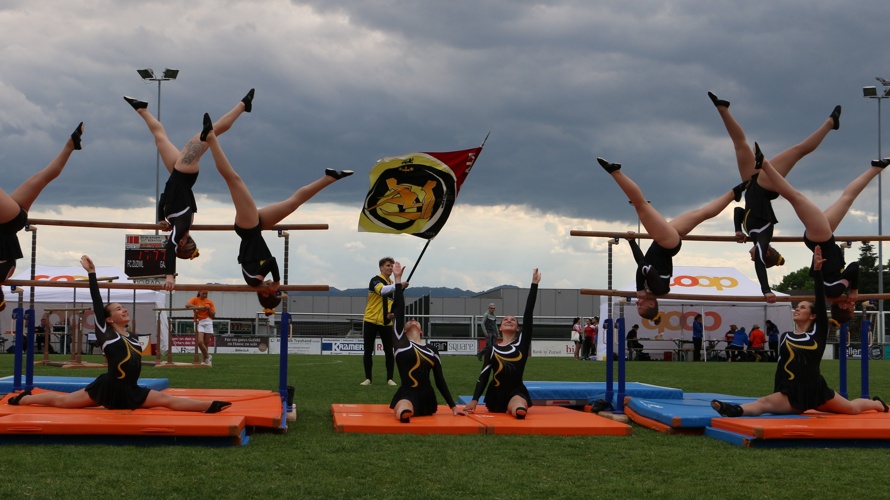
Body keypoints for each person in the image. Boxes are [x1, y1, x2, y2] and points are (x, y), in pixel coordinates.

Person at [7, 255, 231, 413]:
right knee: (62, 402)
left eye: (123, 307)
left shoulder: (133, 336)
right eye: (117, 309)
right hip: (108, 388)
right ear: (108, 319)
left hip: (131, 390)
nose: (123, 309)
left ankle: (209, 405)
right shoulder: (106, 333)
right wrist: (92, 274)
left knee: (166, 399)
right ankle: (25, 399)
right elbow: (97, 302)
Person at [712, 246, 888, 418]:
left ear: (812, 316)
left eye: (802, 308)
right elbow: (781, 368)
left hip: (817, 391)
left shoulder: (818, 333)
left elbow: (820, 298)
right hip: (792, 393)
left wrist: (818, 271)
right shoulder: (785, 336)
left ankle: (878, 405)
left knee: (852, 409)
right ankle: (734, 410)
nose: (797, 309)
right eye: (798, 307)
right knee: (764, 403)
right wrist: (779, 392)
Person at [202, 117, 352, 314]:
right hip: (255, 227)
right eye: (277, 288)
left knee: (234, 179)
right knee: (292, 204)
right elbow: (269, 261)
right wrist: (275, 281)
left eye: (276, 291)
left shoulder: (256, 281)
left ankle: (210, 138)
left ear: (266, 293)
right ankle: (330, 178)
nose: (276, 287)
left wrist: (278, 280)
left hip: (247, 228)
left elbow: (272, 260)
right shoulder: (259, 279)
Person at [708, 91, 840, 303]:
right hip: (765, 184)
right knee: (798, 150)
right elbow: (759, 262)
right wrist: (766, 290)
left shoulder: (751, 232)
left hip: (752, 182)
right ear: (767, 253)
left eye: (752, 255)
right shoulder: (762, 236)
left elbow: (738, 210)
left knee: (740, 144)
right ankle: (830, 124)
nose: (751, 256)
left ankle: (722, 109)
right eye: (753, 256)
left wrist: (737, 230)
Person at [124, 90, 254, 291]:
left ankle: (142, 109)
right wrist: (169, 276)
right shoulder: (182, 224)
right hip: (185, 171)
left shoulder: (174, 221)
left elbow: (163, 197)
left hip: (177, 171)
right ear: (183, 241)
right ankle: (243, 106)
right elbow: (169, 248)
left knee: (160, 138)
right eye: (180, 244)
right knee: (211, 133)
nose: (175, 242)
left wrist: (160, 218)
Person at [597, 157, 744, 321]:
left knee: (701, 214)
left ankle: (734, 192)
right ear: (652, 305)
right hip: (666, 243)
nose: (638, 302)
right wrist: (639, 288)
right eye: (641, 306)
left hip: (667, 243)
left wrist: (632, 243)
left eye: (637, 305)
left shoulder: (652, 289)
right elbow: (644, 268)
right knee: (641, 205)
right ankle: (615, 171)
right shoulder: (658, 290)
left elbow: (642, 262)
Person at [755, 145, 887, 323]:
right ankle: (875, 168)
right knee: (847, 199)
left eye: (851, 308)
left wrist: (854, 289)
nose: (853, 304)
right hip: (824, 238)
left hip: (821, 238)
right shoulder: (836, 289)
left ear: (841, 305)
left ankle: (764, 165)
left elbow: (855, 266)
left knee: (795, 197)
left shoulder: (835, 291)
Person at [0, 122, 84, 310]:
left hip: (11, 220)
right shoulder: (2, 274)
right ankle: (71, 145)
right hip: (6, 222)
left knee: (44, 176)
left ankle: (71, 145)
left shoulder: (6, 274)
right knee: (43, 177)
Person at [388, 262, 466, 422]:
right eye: (409, 321)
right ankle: (404, 411)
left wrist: (453, 407)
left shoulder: (432, 350)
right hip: (407, 393)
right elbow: (400, 310)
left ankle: (408, 411)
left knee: (409, 407)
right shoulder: (400, 342)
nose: (413, 320)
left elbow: (439, 379)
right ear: (403, 330)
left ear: (422, 331)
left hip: (427, 396)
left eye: (416, 320)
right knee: (403, 408)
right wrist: (397, 280)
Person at [464, 268, 541, 419]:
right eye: (505, 319)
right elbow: (484, 375)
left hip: (516, 391)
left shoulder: (522, 343)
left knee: (519, 408)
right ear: (500, 327)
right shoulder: (492, 349)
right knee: (510, 408)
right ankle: (510, 406)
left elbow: (528, 314)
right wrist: (474, 400)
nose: (509, 320)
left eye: (513, 320)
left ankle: (516, 406)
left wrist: (534, 285)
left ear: (517, 328)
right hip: (496, 394)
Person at [360, 257, 403, 386]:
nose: (390, 268)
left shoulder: (392, 285)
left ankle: (390, 378)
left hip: (386, 322)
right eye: (388, 265)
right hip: (370, 320)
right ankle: (368, 379)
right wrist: (398, 285)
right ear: (381, 267)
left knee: (389, 351)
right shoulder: (375, 280)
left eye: (392, 266)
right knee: (368, 350)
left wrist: (392, 314)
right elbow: (382, 290)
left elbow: (394, 304)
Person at [186, 290, 216, 366]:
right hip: (198, 321)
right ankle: (208, 356)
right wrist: (200, 307)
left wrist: (208, 309)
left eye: (206, 293)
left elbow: (213, 315)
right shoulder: (195, 299)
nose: (205, 295)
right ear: (199, 293)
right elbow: (187, 305)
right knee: (199, 342)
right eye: (203, 293)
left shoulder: (210, 302)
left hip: (208, 321)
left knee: (206, 343)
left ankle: (204, 361)